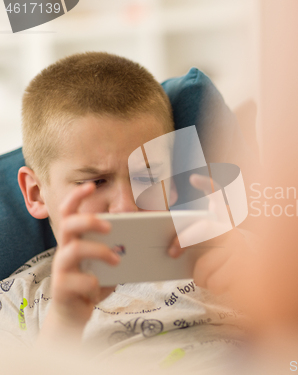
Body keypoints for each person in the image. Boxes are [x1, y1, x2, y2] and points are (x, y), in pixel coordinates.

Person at [0, 52, 246, 371]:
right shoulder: (19, 300)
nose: (127, 207)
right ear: (35, 194)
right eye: (96, 181)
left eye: (149, 176)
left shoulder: (229, 251)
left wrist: (262, 290)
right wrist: (65, 321)